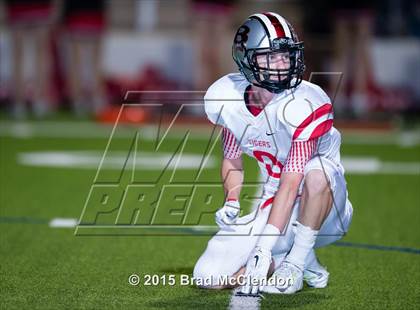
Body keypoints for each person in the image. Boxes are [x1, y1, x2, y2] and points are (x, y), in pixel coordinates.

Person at [193, 12, 353, 295]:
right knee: (209, 277)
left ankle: (296, 261)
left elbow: (292, 183)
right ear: (248, 60)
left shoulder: (305, 101)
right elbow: (232, 159)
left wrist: (263, 248)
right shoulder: (229, 100)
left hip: (327, 208)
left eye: (287, 55)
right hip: (275, 202)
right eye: (272, 56)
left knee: (317, 172)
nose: (284, 63)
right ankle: (293, 260)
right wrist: (231, 200)